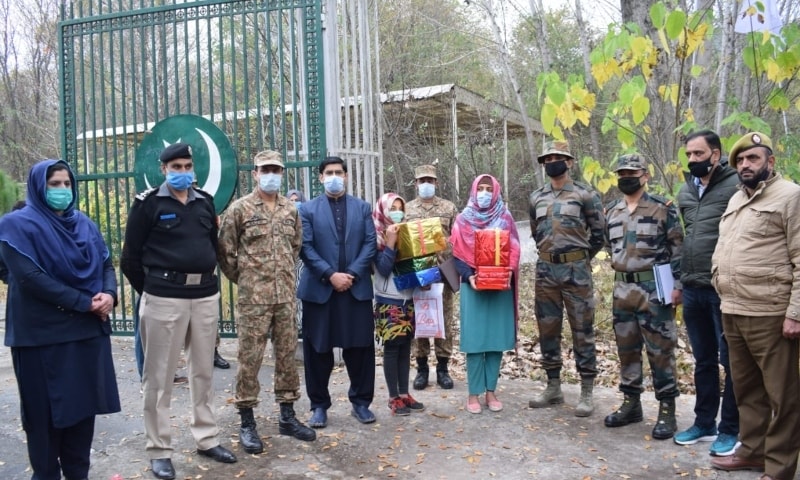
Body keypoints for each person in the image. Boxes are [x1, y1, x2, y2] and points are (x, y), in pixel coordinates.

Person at [121, 143, 236, 480]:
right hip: (163, 298)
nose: (183, 172)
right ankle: (159, 450)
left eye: (187, 166)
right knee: (158, 378)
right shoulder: (148, 204)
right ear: (163, 169)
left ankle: (207, 438)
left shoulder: (204, 201)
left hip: (203, 296)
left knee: (203, 372)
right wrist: (156, 290)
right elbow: (130, 258)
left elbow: (211, 244)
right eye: (176, 166)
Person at [0, 160, 120, 480]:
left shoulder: (83, 224)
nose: (63, 190)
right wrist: (85, 303)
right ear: (39, 187)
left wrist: (109, 295)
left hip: (85, 335)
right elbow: (30, 279)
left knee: (82, 418)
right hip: (41, 338)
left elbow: (106, 264)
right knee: (45, 422)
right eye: (54, 184)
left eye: (67, 184)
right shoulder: (16, 226)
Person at [710, 132, 800, 479]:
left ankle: (779, 467)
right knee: (746, 390)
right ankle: (753, 451)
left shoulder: (790, 196)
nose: (745, 165)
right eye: (741, 161)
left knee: (783, 396)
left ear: (770, 162)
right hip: (733, 309)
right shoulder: (736, 199)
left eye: (753, 159)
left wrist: (795, 313)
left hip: (771, 313)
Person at [217, 150, 316, 455]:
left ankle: (287, 415)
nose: (271, 174)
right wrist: (247, 279)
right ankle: (247, 421)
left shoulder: (291, 209)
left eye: (276, 169)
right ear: (255, 174)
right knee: (250, 360)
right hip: (253, 300)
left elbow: (296, 246)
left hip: (285, 297)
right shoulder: (240, 209)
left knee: (287, 356)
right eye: (266, 169)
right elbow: (225, 252)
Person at [603, 153, 682, 440]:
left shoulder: (662, 208)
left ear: (645, 175)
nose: (626, 178)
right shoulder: (611, 211)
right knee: (627, 350)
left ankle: (667, 409)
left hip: (655, 290)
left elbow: (678, 249)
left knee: (661, 351)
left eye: (632, 173)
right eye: (622, 173)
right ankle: (631, 403)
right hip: (622, 289)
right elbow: (609, 247)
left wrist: (678, 286)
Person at [297, 156, 377, 427]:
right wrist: (330, 275)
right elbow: (305, 247)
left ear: (346, 176)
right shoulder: (307, 210)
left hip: (355, 289)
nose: (334, 177)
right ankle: (319, 405)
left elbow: (370, 243)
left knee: (361, 350)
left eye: (339, 172)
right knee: (317, 351)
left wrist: (351, 274)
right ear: (320, 177)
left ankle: (361, 403)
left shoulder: (363, 207)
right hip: (321, 290)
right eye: (329, 172)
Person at [673, 130, 740, 455]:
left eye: (698, 154)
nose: (692, 160)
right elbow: (685, 237)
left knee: (731, 360)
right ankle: (704, 423)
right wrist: (679, 280)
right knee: (703, 360)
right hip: (693, 287)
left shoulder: (735, 184)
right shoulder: (686, 190)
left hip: (724, 289)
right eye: (689, 155)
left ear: (716, 154)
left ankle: (731, 429)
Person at [528, 140, 604, 417]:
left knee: (582, 330)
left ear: (570, 162)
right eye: (548, 159)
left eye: (558, 158)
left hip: (576, 273)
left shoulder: (586, 195)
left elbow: (598, 235)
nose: (553, 162)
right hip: (546, 272)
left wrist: (579, 259)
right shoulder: (536, 197)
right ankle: (553, 387)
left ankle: (586, 391)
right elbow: (537, 233)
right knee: (547, 329)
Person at [450, 174, 520, 414]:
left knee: (495, 341)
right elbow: (457, 254)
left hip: (499, 287)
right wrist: (470, 276)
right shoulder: (462, 219)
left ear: (497, 190)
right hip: (474, 288)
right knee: (475, 341)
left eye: (489, 188)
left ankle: (491, 391)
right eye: (481, 188)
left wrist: (508, 272)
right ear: (473, 190)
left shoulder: (505, 217)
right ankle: (473, 393)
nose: (485, 192)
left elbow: (514, 248)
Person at [405, 164, 459, 390]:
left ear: (436, 182)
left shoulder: (449, 207)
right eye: (421, 180)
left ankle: (443, 368)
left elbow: (457, 239)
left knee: (443, 319)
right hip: (418, 273)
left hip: (442, 273)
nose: (425, 184)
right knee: (420, 319)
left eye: (430, 180)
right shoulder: (407, 209)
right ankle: (422, 368)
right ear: (416, 183)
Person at [372, 192, 425, 416]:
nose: (397, 212)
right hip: (387, 301)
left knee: (405, 347)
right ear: (384, 210)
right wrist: (391, 244)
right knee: (393, 348)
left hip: (408, 298)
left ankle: (404, 394)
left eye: (400, 207)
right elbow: (383, 269)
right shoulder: (375, 237)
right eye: (392, 207)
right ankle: (393, 397)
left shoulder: (407, 233)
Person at [287, 189, 307, 335]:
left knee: (301, 293)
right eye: (291, 201)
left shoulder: (308, 218)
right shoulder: (283, 218)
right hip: (289, 262)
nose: (294, 204)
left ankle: (302, 324)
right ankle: (294, 326)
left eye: (297, 200)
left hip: (304, 262)